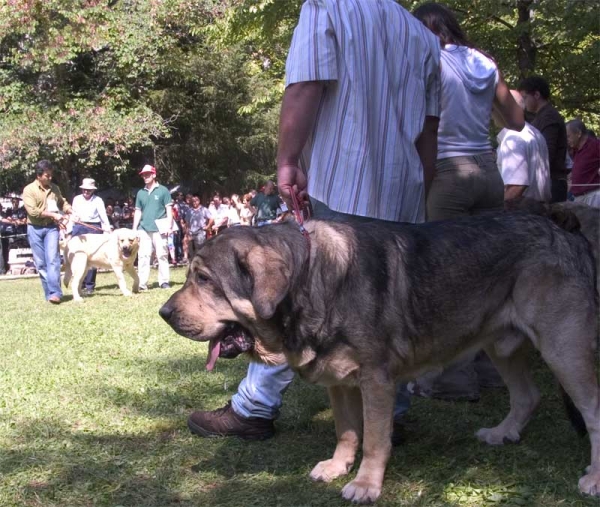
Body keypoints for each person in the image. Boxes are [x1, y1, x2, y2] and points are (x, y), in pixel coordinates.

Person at [187, 0, 441, 443]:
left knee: (294, 305)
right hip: (402, 195)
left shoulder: (327, 6)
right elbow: (430, 129)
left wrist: (287, 160)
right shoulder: (420, 34)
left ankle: (254, 408)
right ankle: (389, 416)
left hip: (343, 186)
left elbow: (305, 87)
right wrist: (420, 187)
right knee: (392, 314)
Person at [407, 2, 524, 401]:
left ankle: (451, 379)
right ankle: (492, 371)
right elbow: (517, 120)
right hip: (489, 173)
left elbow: (417, 122)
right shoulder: (484, 63)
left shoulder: (429, 62)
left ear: (429, 29)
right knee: (489, 276)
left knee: (443, 279)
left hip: (448, 174)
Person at [22, 159, 73, 303]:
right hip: (35, 229)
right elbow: (32, 211)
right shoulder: (29, 190)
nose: (50, 178)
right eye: (47, 175)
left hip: (51, 228)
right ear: (39, 175)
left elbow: (62, 202)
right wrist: (53, 214)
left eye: (51, 175)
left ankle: (56, 293)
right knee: (41, 264)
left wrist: (69, 210)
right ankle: (49, 293)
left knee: (53, 260)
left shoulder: (54, 188)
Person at [517, 76, 568, 203]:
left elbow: (547, 154)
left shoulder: (549, 117)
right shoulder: (541, 117)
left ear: (537, 95)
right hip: (548, 182)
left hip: (553, 183)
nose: (523, 103)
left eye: (525, 98)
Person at [495, 90, 551, 202]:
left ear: (505, 110)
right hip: (540, 211)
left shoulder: (513, 138)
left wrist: (496, 212)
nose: (491, 114)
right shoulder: (535, 133)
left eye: (494, 109)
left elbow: (516, 187)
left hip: (520, 214)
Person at [132, 164, 173, 290]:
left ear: (154, 175)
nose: (145, 176)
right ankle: (142, 283)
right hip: (143, 228)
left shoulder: (163, 190)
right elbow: (138, 211)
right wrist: (134, 229)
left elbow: (169, 209)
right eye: (144, 175)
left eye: (148, 174)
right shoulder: (140, 193)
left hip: (160, 228)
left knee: (162, 255)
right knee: (143, 256)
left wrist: (169, 226)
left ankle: (164, 281)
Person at [69, 178, 112, 296]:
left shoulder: (98, 200)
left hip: (94, 228)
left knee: (93, 257)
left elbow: (103, 216)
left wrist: (107, 230)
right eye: (84, 189)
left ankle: (90, 286)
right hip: (79, 227)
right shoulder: (76, 199)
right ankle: (79, 284)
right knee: (78, 257)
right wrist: (69, 230)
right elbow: (73, 214)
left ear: (93, 190)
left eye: (89, 190)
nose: (86, 192)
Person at [566, 118, 600, 208]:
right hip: (578, 198)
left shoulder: (595, 145)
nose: (567, 140)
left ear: (578, 134)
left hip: (593, 196)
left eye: (568, 136)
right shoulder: (575, 150)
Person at [184, 194, 214, 259]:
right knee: (191, 249)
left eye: (196, 201)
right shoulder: (189, 211)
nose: (194, 202)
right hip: (191, 232)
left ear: (199, 201)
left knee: (200, 247)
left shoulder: (204, 209)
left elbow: (211, 218)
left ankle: (200, 261)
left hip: (200, 231)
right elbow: (187, 223)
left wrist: (207, 226)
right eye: (193, 201)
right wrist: (187, 233)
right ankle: (193, 261)